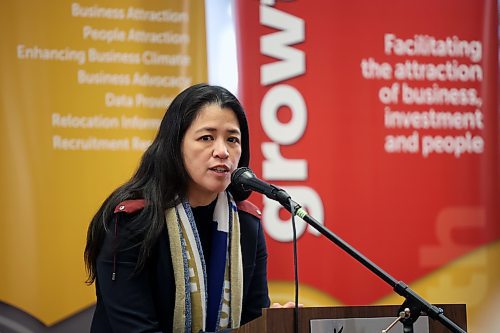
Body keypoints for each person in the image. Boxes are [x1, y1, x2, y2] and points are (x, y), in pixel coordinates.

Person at [84, 83, 270, 333]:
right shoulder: (131, 222)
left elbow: (253, 320)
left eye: (232, 139)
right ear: (175, 144)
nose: (223, 152)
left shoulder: (247, 225)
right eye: (207, 137)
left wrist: (274, 324)